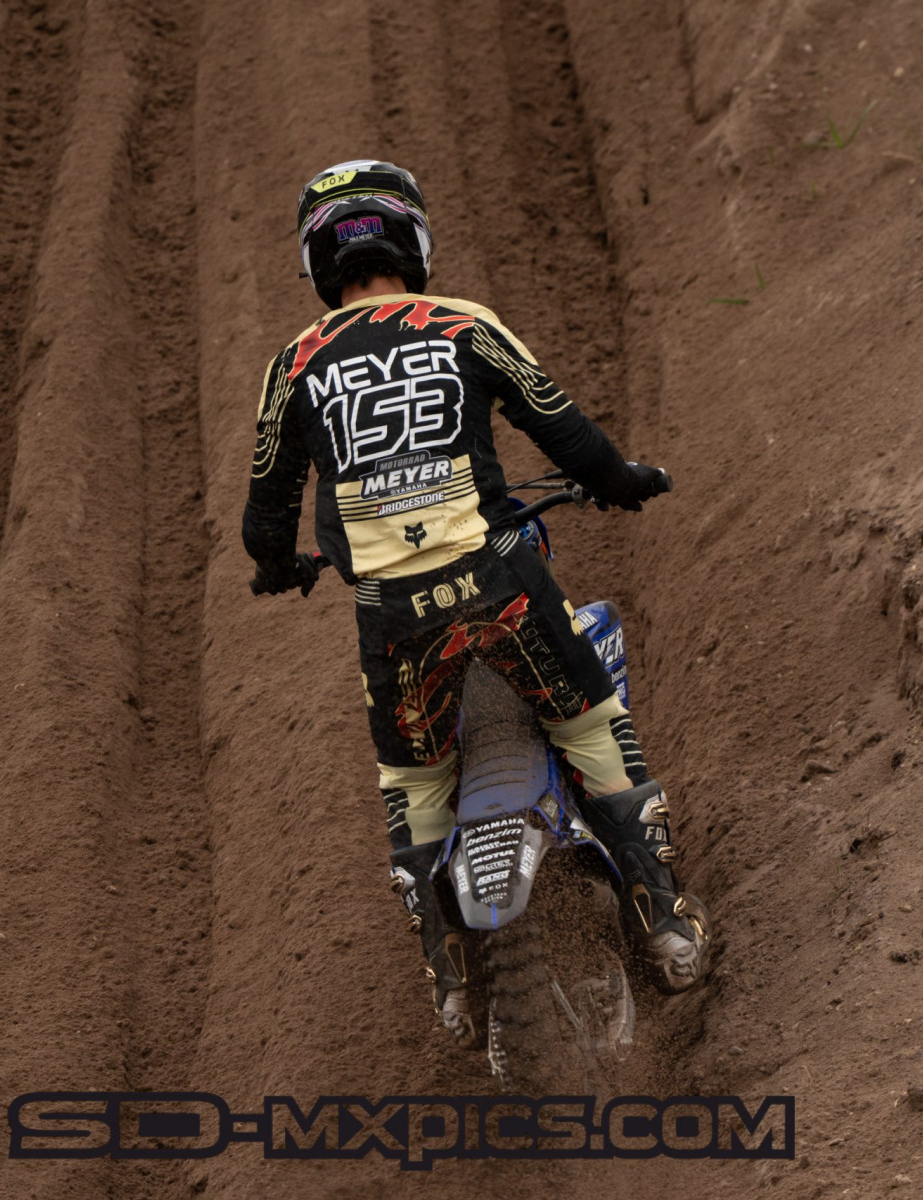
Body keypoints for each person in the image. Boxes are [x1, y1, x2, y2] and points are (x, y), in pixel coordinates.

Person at [241, 159, 709, 1048]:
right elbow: (565, 433)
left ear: (318, 262)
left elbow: (265, 518)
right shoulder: (462, 324)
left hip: (393, 618)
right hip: (497, 584)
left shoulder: (293, 366)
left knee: (415, 783)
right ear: (412, 241)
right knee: (588, 724)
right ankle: (666, 925)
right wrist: (622, 482)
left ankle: (453, 985)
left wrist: (279, 566)